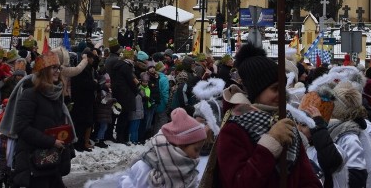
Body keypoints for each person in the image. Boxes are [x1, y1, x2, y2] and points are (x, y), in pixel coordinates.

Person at [215, 43, 321, 187]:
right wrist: (271, 142)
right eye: (275, 89)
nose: (282, 94)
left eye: (283, 88)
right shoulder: (233, 129)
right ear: (256, 90)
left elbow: (305, 174)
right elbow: (239, 182)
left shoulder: (285, 119)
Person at [1, 50, 76, 188]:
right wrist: (51, 141)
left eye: (58, 68)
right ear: (43, 70)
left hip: (51, 161)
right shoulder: (30, 94)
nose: (57, 71)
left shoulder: (55, 94)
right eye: (53, 68)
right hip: (33, 162)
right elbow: (22, 127)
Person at [88, 108, 207, 188]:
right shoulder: (146, 167)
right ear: (179, 146)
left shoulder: (188, 169)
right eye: (196, 149)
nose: (197, 156)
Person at [104, 38, 138, 145]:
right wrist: (136, 90)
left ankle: (110, 135)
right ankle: (117, 136)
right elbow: (130, 80)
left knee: (114, 114)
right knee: (120, 115)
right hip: (122, 92)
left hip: (116, 90)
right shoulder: (120, 63)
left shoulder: (110, 59)